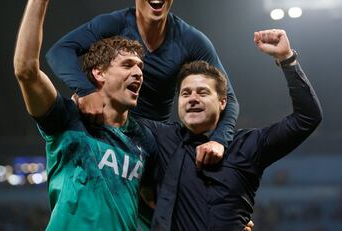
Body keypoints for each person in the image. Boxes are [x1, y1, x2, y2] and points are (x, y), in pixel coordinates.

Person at [45, 0, 240, 165]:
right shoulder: (113, 24)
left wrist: (219, 140)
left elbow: (228, 97)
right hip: (107, 129)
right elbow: (59, 51)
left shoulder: (192, 40)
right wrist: (87, 91)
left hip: (153, 142)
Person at [13, 0, 157, 230]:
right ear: (99, 74)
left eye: (141, 67)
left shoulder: (145, 141)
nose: (138, 72)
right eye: (128, 64)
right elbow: (26, 70)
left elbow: (162, 204)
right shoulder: (67, 119)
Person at [135, 29, 322, 230]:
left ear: (223, 102)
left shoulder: (249, 145)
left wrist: (287, 59)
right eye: (185, 93)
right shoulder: (161, 137)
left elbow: (307, 117)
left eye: (203, 92)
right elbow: (114, 114)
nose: (192, 99)